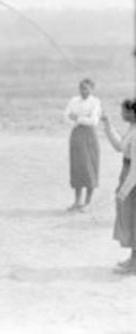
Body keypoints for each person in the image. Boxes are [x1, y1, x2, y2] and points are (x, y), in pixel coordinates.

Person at [101, 99, 136, 274]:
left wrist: (124, 190)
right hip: (128, 173)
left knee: (134, 219)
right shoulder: (132, 129)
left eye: (124, 111)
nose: (122, 114)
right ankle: (133, 259)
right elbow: (120, 147)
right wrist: (108, 126)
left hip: (133, 179)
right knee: (129, 219)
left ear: (133, 113)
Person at [64, 78, 102, 212]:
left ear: (92, 89)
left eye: (86, 88)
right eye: (81, 88)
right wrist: (78, 119)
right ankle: (77, 201)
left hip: (90, 137)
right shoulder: (74, 101)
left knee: (89, 167)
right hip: (76, 135)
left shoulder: (95, 102)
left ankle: (88, 202)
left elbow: (94, 121)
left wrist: (78, 118)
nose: (83, 91)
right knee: (77, 167)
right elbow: (66, 116)